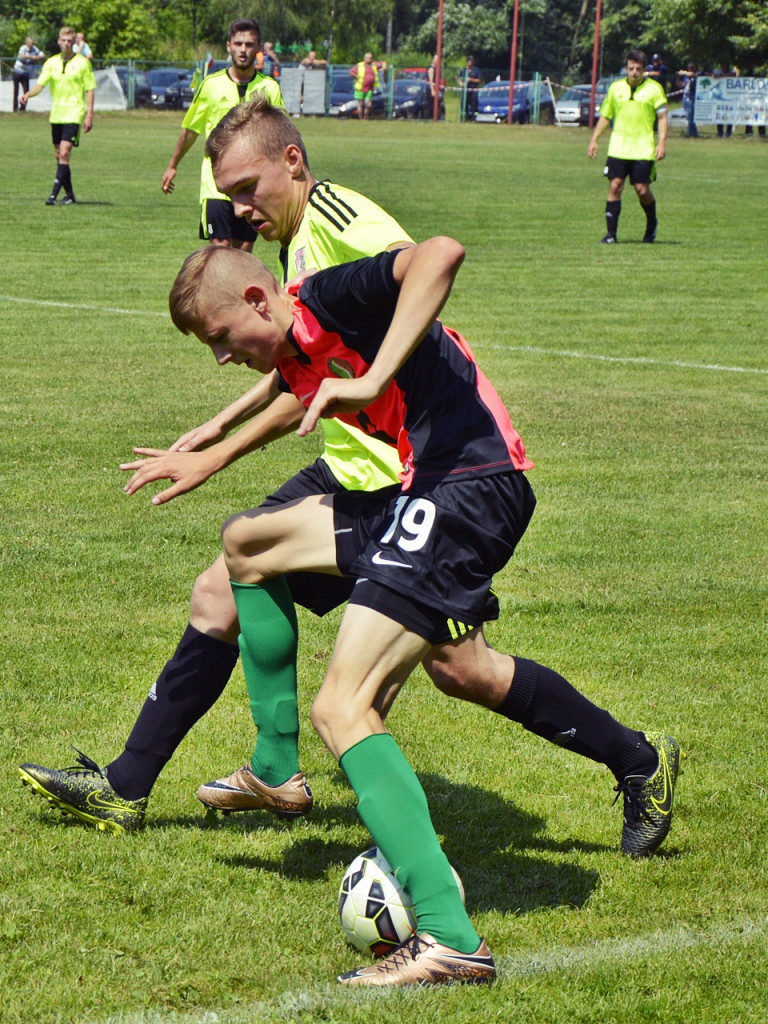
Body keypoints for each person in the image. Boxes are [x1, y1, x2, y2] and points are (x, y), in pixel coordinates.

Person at [19, 100, 678, 869]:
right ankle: (187, 780)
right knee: (253, 569)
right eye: (226, 193)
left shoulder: (335, 219)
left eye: (245, 187)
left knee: (378, 686)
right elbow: (307, 362)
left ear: (292, 163)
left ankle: (431, 889)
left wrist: (367, 387)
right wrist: (215, 439)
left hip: (433, 477)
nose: (237, 208)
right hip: (393, 474)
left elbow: (421, 276)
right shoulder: (295, 249)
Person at [165, 234, 679, 986]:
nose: (220, 358)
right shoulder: (293, 350)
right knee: (250, 544)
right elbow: (296, 388)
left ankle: (448, 937)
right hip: (425, 489)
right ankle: (277, 771)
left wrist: (371, 378)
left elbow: (440, 252)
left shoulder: (330, 295)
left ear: (257, 299)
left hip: (470, 484)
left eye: (218, 338)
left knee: (346, 707)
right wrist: (214, 444)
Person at [160, 18, 282, 250]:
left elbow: (279, 135)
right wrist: (172, 164)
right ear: (229, 46)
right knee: (220, 250)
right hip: (216, 184)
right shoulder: (210, 85)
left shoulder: (270, 88)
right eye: (238, 44)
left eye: (249, 44)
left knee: (243, 252)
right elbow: (190, 129)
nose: (243, 50)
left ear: (257, 48)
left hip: (252, 184)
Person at [587, 49, 668, 244]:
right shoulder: (615, 88)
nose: (634, 73)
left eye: (638, 69)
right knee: (615, 186)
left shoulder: (654, 89)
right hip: (619, 146)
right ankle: (611, 235)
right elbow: (606, 116)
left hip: (643, 147)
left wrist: (662, 142)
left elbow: (663, 117)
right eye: (631, 68)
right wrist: (594, 139)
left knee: (642, 189)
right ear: (626, 68)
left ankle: (651, 223)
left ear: (644, 70)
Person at [20, 27, 95, 205]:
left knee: (64, 153)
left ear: (74, 43)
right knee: (60, 156)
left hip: (74, 113)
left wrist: (89, 115)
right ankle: (69, 195)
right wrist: (27, 94)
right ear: (59, 41)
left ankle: (53, 196)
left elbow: (90, 89)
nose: (66, 43)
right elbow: (40, 85)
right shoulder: (51, 62)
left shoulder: (83, 63)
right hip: (57, 114)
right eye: (64, 40)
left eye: (70, 41)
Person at [12, 36, 45, 113]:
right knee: (16, 91)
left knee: (26, 92)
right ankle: (15, 109)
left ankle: (22, 108)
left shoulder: (35, 49)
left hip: (25, 73)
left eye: (32, 43)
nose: (31, 44)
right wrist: (32, 57)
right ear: (27, 43)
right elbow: (21, 55)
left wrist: (38, 57)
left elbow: (43, 55)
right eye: (30, 42)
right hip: (17, 71)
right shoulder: (23, 48)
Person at [349, 52, 386, 120]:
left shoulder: (374, 65)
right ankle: (361, 118)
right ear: (364, 58)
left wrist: (383, 68)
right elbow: (351, 71)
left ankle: (365, 118)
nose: (369, 59)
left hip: (369, 88)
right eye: (368, 58)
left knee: (368, 105)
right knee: (360, 104)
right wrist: (356, 77)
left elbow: (383, 63)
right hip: (360, 87)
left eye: (371, 58)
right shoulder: (359, 65)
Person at [678, 62, 700, 138]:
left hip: (694, 97)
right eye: (689, 68)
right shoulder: (685, 77)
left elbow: (693, 75)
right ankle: (692, 132)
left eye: (692, 67)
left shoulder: (697, 74)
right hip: (686, 97)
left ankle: (692, 132)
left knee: (692, 115)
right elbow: (681, 84)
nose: (691, 69)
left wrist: (684, 72)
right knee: (688, 115)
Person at [713, 63, 736, 137]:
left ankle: (728, 133)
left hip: (730, 97)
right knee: (719, 114)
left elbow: (734, 74)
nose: (724, 67)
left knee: (730, 115)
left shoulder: (732, 70)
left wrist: (722, 76)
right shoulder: (717, 71)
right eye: (723, 65)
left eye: (725, 65)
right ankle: (720, 132)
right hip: (720, 97)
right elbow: (713, 76)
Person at [457, 56, 481, 120]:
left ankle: (474, 118)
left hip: (473, 90)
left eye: (471, 61)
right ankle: (464, 118)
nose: (470, 62)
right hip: (465, 91)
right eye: (468, 61)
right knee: (464, 105)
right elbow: (457, 77)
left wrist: (471, 79)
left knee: (474, 105)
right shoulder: (464, 70)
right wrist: (460, 83)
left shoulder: (476, 70)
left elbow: (479, 80)